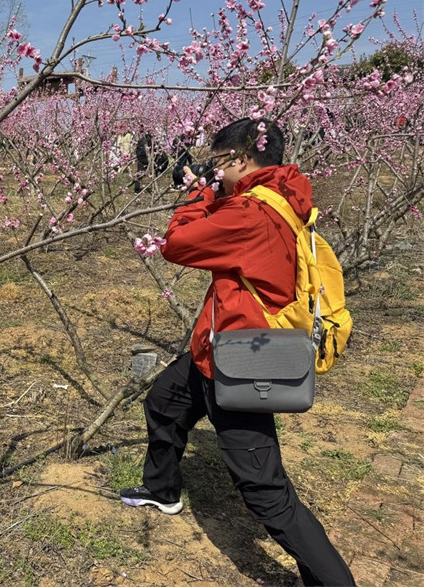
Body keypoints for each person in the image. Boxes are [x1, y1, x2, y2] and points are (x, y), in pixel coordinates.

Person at [119, 118, 356, 587]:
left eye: (219, 162)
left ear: (242, 159)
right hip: (213, 344)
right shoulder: (273, 198)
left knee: (265, 491)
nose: (214, 170)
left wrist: (194, 197)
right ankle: (162, 489)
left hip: (243, 361)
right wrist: (213, 190)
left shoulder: (251, 214)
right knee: (164, 402)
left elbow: (179, 244)